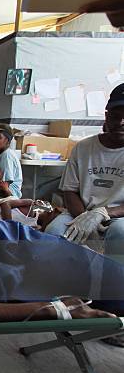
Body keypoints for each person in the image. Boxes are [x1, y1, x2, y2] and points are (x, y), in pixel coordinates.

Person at [45, 83, 124, 264]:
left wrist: (103, 213)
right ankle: (66, 286)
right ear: (106, 116)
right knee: (54, 233)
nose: (121, 122)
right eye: (116, 116)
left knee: (121, 234)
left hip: (119, 216)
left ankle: (114, 285)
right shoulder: (83, 148)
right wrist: (84, 218)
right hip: (80, 211)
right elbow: (70, 190)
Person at [0, 199, 64, 231]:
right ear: (51, 212)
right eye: (52, 221)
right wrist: (9, 223)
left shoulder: (33, 228)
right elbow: (5, 204)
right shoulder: (30, 205)